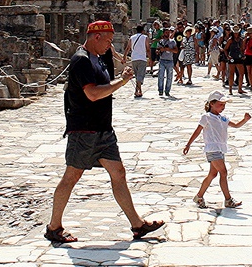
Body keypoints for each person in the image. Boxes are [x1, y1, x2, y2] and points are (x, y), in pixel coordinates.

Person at [45, 20, 164, 245]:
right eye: (108, 41)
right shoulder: (80, 61)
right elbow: (92, 93)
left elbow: (105, 78)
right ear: (96, 37)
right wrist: (122, 81)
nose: (110, 46)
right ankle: (54, 227)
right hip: (84, 130)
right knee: (71, 177)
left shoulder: (97, 58)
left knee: (118, 173)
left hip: (103, 130)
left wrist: (118, 65)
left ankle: (137, 225)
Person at [183, 90, 250, 209]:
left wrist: (244, 120)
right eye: (220, 104)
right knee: (223, 172)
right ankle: (228, 199)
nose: (223, 107)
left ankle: (199, 196)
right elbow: (198, 131)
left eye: (224, 105)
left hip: (220, 149)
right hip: (212, 149)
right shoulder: (206, 117)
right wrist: (188, 144)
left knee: (212, 174)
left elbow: (235, 125)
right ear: (211, 104)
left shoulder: (223, 118)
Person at [122, 24, 151, 98]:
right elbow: (148, 49)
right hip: (142, 58)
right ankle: (139, 90)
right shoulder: (145, 37)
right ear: (142, 30)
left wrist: (124, 57)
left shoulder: (132, 37)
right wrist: (150, 58)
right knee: (140, 75)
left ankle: (136, 90)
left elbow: (128, 48)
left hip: (134, 58)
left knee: (137, 75)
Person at [156, 25, 177, 97]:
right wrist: (159, 51)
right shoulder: (160, 42)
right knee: (161, 76)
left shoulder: (172, 42)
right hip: (162, 60)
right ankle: (160, 90)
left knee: (169, 77)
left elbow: (176, 50)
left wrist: (168, 49)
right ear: (163, 33)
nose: (168, 34)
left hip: (170, 60)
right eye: (166, 32)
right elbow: (157, 50)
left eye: (169, 32)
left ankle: (167, 91)